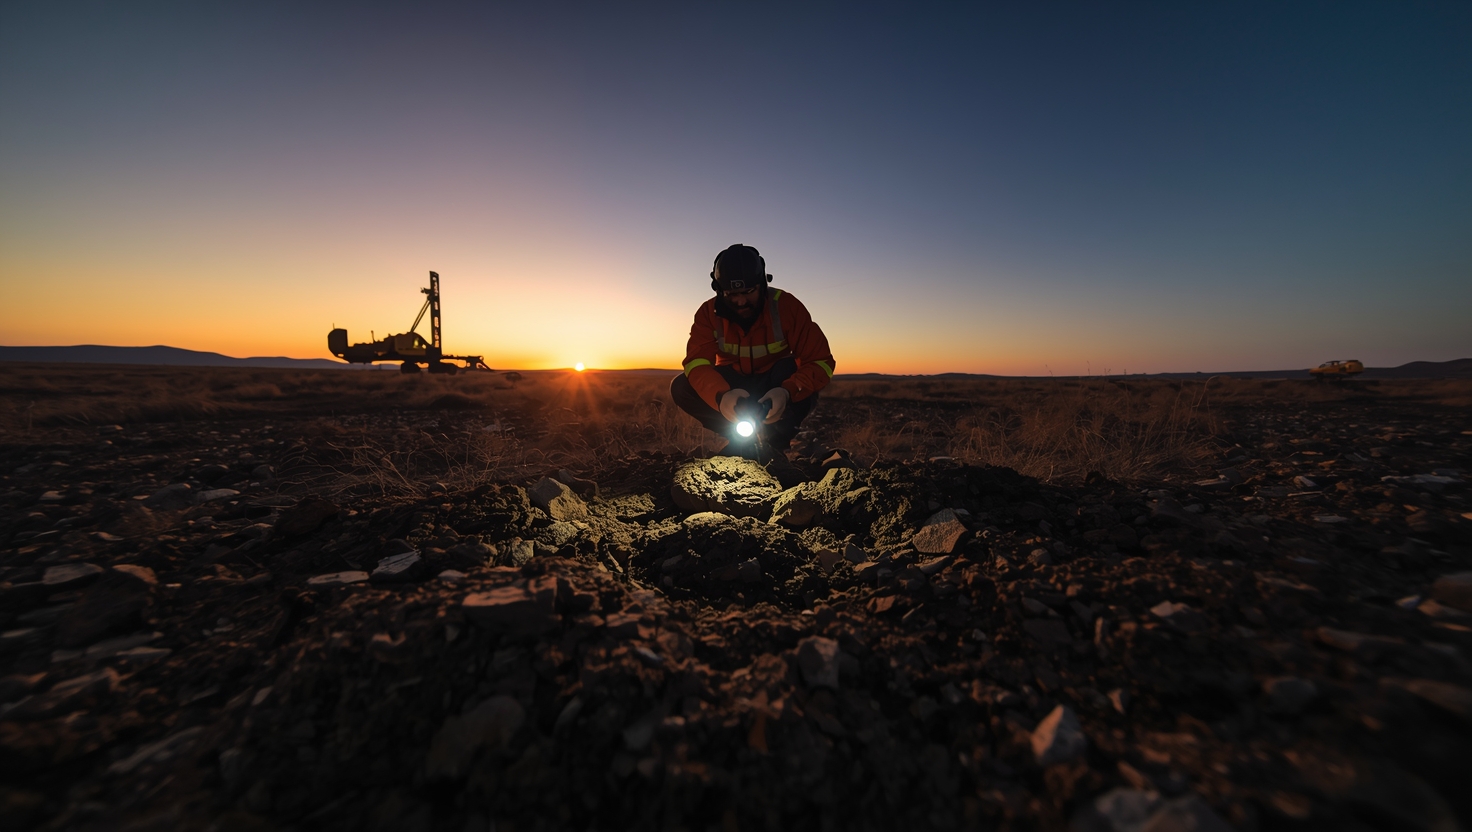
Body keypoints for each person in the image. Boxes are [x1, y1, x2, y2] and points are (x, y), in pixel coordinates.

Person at [670, 244, 835, 459]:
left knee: (794, 373)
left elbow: (820, 361)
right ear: (718, 289)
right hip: (734, 390)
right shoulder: (707, 314)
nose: (741, 301)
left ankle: (775, 443)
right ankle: (743, 440)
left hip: (774, 387)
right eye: (731, 294)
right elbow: (696, 364)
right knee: (682, 386)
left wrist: (787, 391)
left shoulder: (787, 307)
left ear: (762, 283)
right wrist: (721, 396)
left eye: (749, 292)